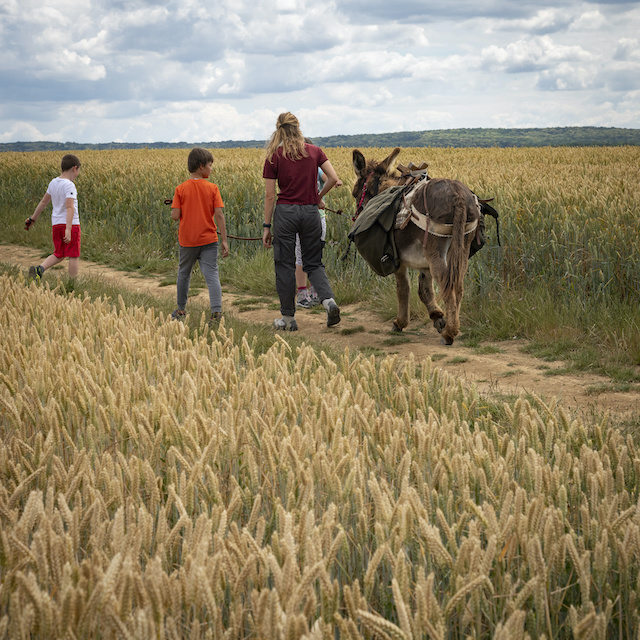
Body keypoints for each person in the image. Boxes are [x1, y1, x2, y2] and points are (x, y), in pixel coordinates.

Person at [262, 112, 341, 331]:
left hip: (285, 213)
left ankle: (288, 319)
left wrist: (267, 226)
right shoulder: (315, 151)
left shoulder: (273, 156)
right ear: (298, 127)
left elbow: (270, 196)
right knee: (313, 262)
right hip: (310, 212)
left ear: (278, 130)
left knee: (284, 265)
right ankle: (328, 301)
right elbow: (333, 178)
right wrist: (318, 197)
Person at [170, 147, 229, 325]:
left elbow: (174, 216)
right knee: (211, 275)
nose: (212, 169)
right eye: (210, 165)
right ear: (201, 166)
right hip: (209, 240)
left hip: (188, 241)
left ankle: (181, 310)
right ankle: (216, 313)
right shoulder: (212, 188)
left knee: (184, 274)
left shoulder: (180, 189)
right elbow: (219, 215)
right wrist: (224, 239)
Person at [25, 154, 82, 280]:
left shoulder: (53, 182)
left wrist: (33, 219)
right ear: (74, 168)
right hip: (70, 224)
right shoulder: (69, 185)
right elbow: (70, 207)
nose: (77, 174)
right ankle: (72, 283)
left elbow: (43, 202)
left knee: (59, 253)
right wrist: (68, 228)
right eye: (78, 171)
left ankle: (39, 270)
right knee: (73, 254)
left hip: (56, 224)